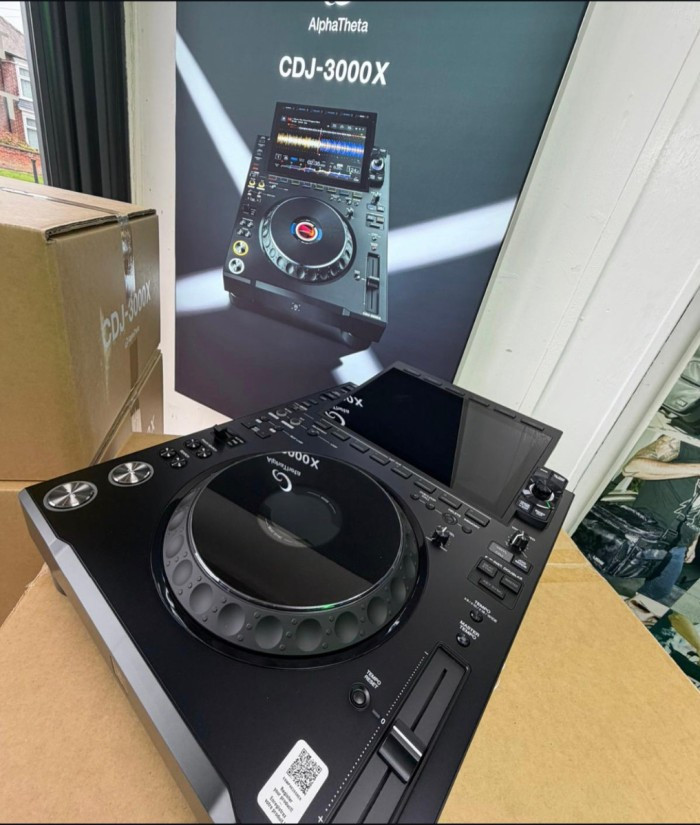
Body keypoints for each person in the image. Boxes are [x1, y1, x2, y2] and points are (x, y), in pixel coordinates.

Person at [619, 434, 700, 601]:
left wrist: (694, 542)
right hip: (643, 534)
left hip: (679, 546)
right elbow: (632, 468)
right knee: (612, 587)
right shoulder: (685, 443)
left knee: (655, 595)